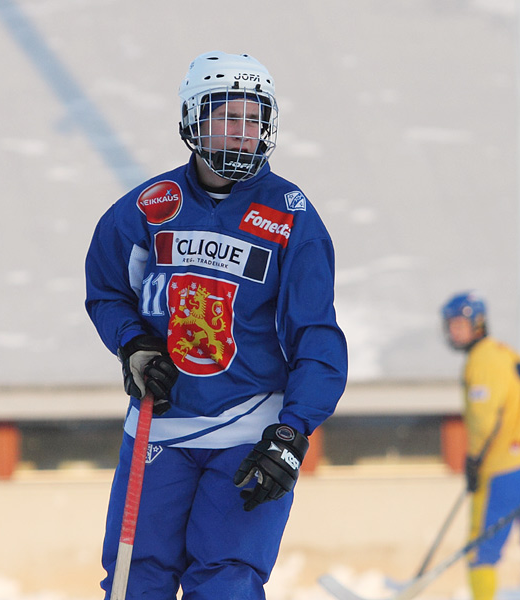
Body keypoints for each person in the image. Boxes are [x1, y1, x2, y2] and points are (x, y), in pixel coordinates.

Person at [84, 51, 348, 600]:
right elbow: (107, 291)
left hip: (250, 429)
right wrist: (132, 345)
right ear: (192, 120)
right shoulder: (150, 206)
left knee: (226, 582)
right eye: (228, 116)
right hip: (159, 425)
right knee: (136, 581)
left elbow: (317, 338)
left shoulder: (291, 216)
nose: (243, 132)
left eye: (255, 119)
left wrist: (292, 433)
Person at [441, 291, 520, 600]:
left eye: (460, 323)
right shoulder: (506, 353)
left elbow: (484, 418)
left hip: (508, 465)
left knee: (481, 546)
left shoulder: (480, 360)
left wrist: (473, 460)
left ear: (478, 323)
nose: (454, 331)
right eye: (450, 324)